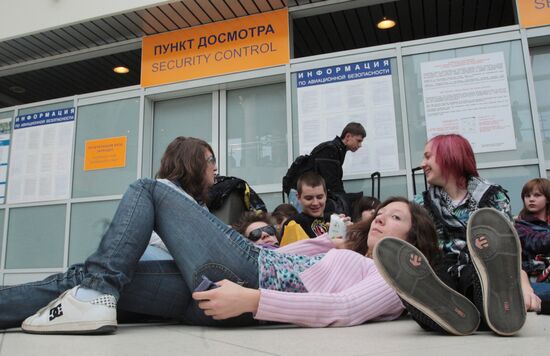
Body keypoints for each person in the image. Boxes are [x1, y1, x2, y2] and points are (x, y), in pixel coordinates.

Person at [1, 170, 439, 334]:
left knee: (150, 190)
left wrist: (251, 299)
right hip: (232, 284)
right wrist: (329, 242)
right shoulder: (347, 248)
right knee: (90, 281)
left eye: (396, 217)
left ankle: (97, 289)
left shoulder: (397, 278)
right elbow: (301, 258)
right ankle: (92, 291)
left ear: (414, 236)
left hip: (248, 284)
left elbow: (339, 308)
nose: (381, 216)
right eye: (382, 212)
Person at [375, 134, 537, 336]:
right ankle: (440, 310)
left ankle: (495, 307)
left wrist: (525, 287)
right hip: (442, 274)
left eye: (427, 156)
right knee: (433, 281)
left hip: (481, 268)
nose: (422, 163)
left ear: (449, 155)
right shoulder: (420, 203)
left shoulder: (493, 196)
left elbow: (509, 251)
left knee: (479, 273)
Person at [514, 178, 550, 311]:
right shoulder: (519, 226)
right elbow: (535, 242)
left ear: (548, 199)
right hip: (533, 282)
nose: (531, 199)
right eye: (527, 196)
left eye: (537, 195)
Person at [281, 172, 332, 238]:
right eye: (309, 198)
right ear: (298, 198)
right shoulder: (294, 223)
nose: (315, 203)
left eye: (319, 197)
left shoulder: (333, 218)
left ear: (326, 195)